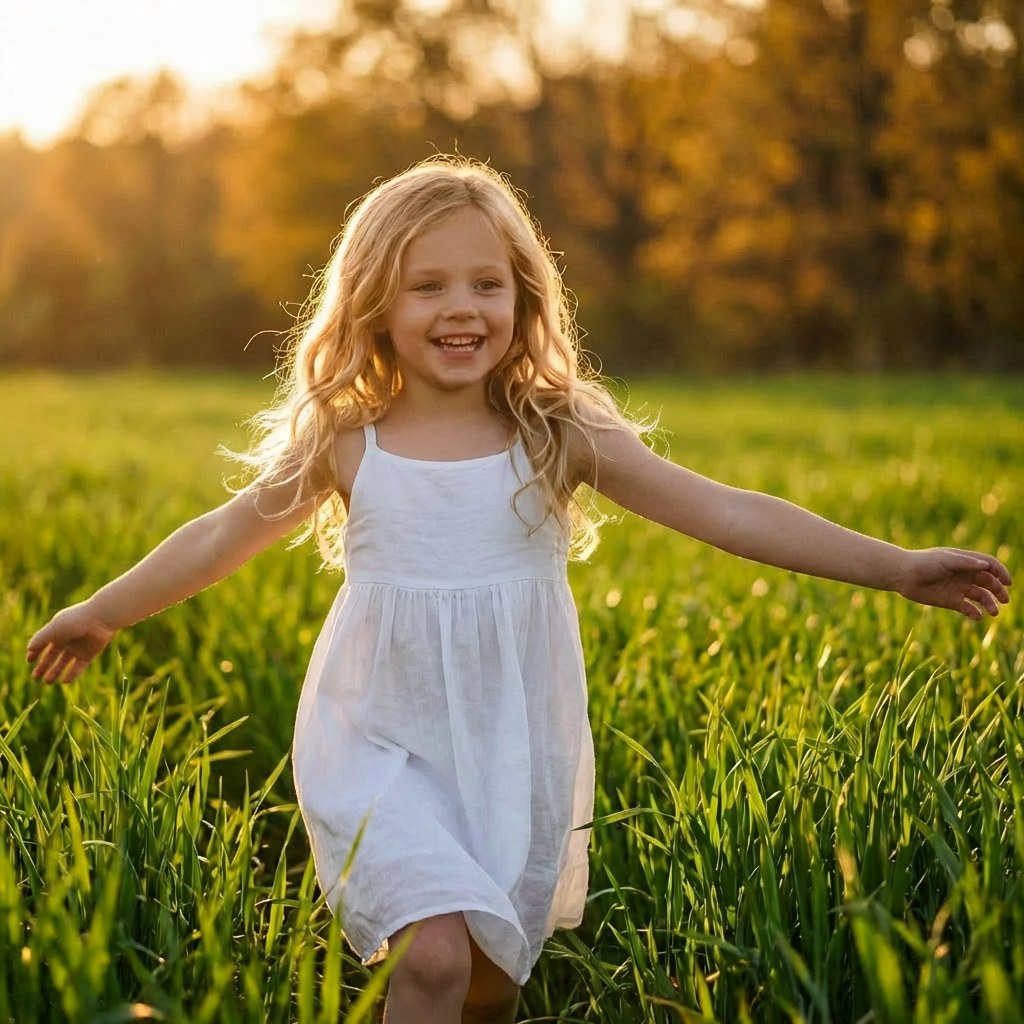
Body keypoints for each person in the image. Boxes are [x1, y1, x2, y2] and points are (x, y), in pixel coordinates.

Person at [25, 156, 1011, 1024]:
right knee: (435, 955)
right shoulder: (347, 442)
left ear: (524, 298)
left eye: (486, 283)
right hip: (376, 737)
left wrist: (894, 566)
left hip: (510, 744)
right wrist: (103, 609)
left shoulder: (556, 432)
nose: (461, 307)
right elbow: (221, 534)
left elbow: (727, 513)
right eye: (427, 286)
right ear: (374, 302)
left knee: (489, 983)